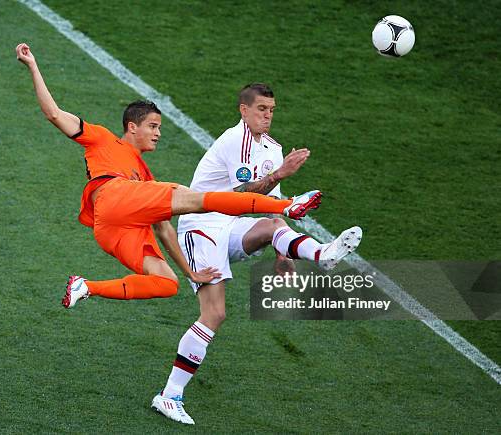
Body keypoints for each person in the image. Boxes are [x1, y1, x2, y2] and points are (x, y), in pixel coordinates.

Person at [15, 44, 322, 308]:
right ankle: (287, 206)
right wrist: (33, 65)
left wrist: (190, 273)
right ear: (132, 127)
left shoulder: (145, 178)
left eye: (159, 127)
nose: (158, 133)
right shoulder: (103, 138)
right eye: (153, 126)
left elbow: (164, 231)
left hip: (111, 228)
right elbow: (54, 113)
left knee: (166, 283)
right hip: (113, 195)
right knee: (197, 199)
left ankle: (86, 286)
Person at [151, 83, 362, 425]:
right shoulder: (236, 140)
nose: (267, 115)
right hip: (200, 227)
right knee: (215, 314)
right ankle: (169, 395)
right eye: (261, 109)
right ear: (243, 110)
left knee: (270, 227)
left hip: (227, 226)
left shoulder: (272, 149)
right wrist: (280, 174)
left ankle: (322, 254)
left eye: (271, 110)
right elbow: (242, 193)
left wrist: (283, 253)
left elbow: (269, 205)